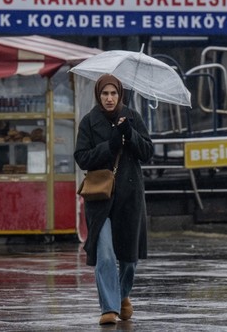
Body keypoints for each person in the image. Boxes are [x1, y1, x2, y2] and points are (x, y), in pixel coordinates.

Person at [74, 74, 154, 326]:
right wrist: (109, 145)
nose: (109, 98)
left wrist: (129, 134)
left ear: (120, 95)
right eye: (105, 94)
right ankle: (109, 306)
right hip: (100, 198)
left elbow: (148, 152)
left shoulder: (132, 118)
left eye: (114, 94)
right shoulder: (89, 122)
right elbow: (82, 157)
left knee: (129, 257)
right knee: (106, 253)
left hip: (130, 196)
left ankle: (123, 295)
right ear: (98, 95)